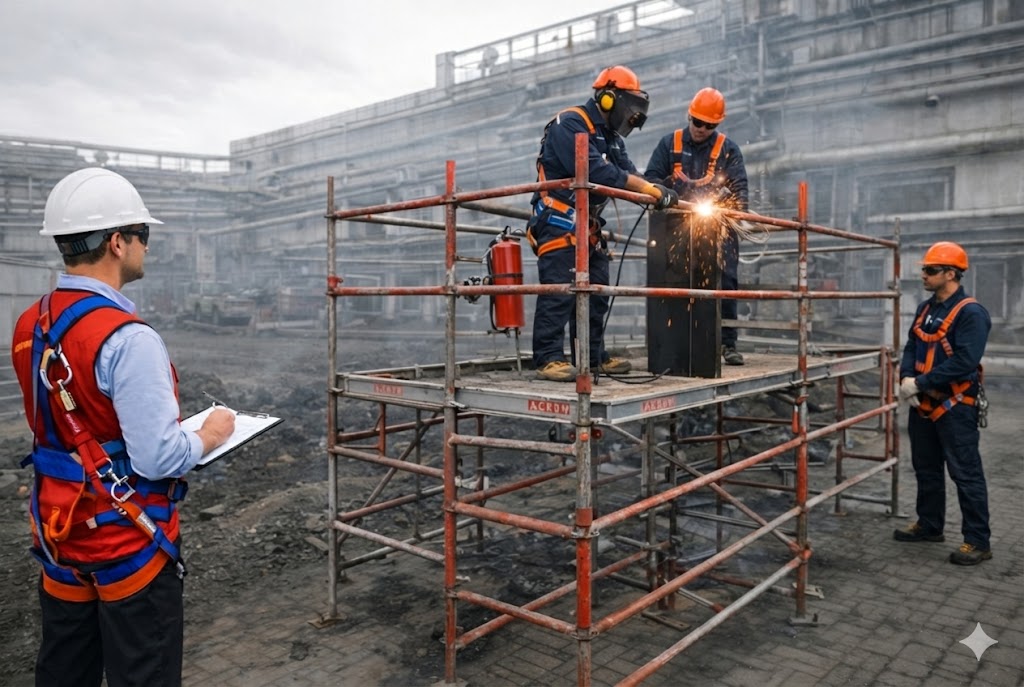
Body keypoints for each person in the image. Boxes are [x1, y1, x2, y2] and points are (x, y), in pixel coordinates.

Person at [10, 167, 236, 686]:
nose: (146, 249)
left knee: (66, 672)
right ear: (117, 242)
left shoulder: (31, 323)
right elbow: (158, 457)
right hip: (128, 544)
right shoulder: (128, 339)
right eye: (143, 236)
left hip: (60, 539)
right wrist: (211, 433)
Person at [529, 65, 679, 382]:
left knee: (597, 293)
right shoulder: (570, 124)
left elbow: (629, 174)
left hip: (588, 224)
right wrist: (642, 188)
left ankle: (593, 356)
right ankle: (548, 359)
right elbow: (596, 172)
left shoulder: (611, 138)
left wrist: (656, 192)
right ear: (608, 99)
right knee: (559, 292)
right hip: (558, 219)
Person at [894, 241, 992, 566]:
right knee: (926, 468)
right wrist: (906, 377)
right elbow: (911, 344)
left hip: (955, 407)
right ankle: (930, 524)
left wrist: (919, 382)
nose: (923, 274)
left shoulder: (971, 313)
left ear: (951, 274)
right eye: (924, 269)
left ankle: (978, 541)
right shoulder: (926, 309)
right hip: (923, 404)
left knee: (965, 473)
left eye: (930, 270)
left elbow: (965, 361)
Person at [644, 87, 749, 366]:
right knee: (672, 281)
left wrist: (737, 213)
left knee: (725, 281)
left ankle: (727, 343)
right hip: (674, 227)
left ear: (717, 124)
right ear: (689, 116)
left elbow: (740, 188)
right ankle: (670, 342)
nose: (702, 129)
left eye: (709, 125)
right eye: (697, 122)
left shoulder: (728, 149)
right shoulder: (670, 144)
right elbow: (649, 180)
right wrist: (665, 189)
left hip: (717, 227)